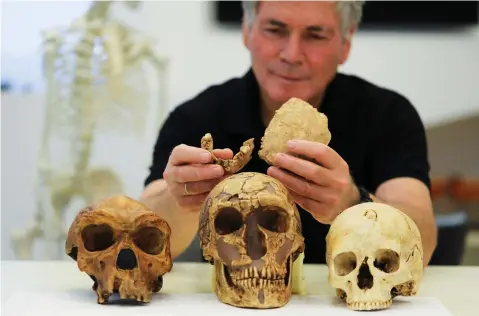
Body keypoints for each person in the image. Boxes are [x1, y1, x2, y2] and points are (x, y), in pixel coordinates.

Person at [140, 1, 438, 266]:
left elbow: (422, 239)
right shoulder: (196, 118)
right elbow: (144, 237)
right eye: (275, 30)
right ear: (247, 30)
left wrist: (353, 203)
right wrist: (180, 197)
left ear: (346, 44)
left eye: (315, 35)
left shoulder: (388, 115)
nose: (292, 54)